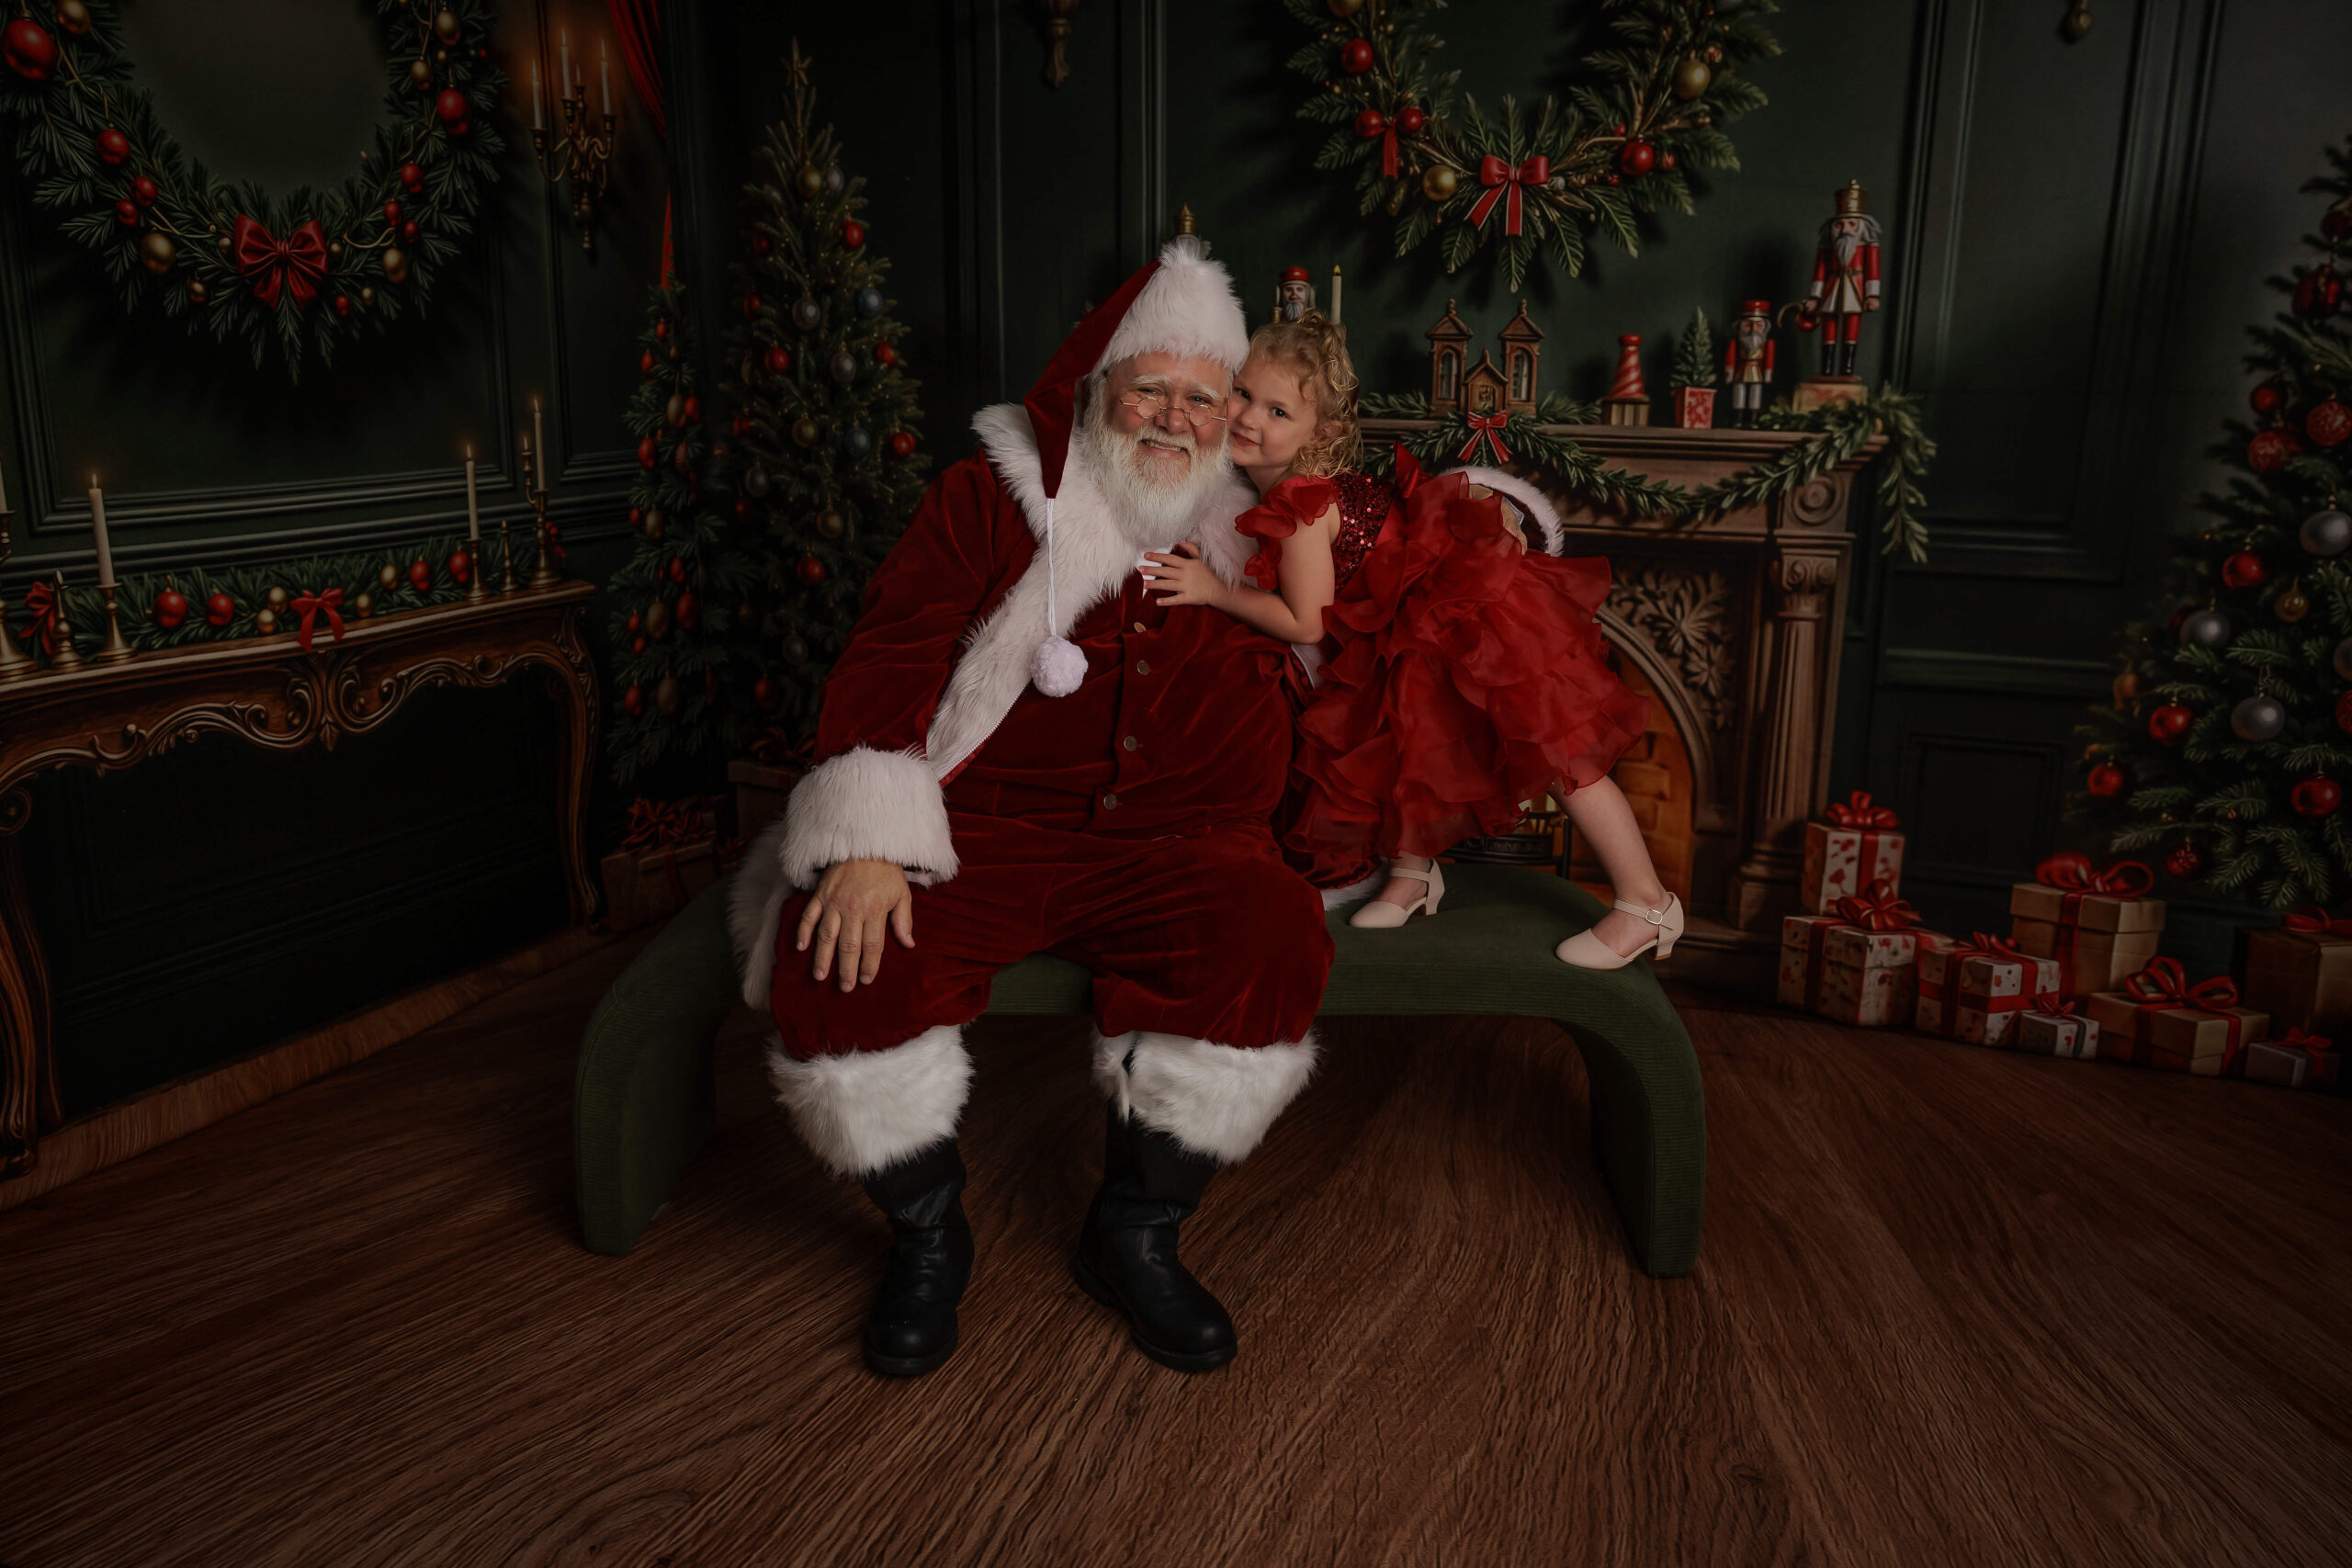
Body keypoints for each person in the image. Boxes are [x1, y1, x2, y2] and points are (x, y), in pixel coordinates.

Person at [729, 237, 1332, 1380]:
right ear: (1093, 385)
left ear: (1229, 415)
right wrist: (866, 839)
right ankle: (924, 1230)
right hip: (981, 832)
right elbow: (891, 653)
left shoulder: (1262, 519)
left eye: (1201, 396)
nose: (1172, 415)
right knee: (840, 965)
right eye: (1147, 384)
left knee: (1269, 940)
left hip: (1181, 840)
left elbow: (1355, 580)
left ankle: (1135, 1232)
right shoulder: (990, 495)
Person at [1140, 312, 1682, 968]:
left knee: (1558, 753)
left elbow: (1306, 621)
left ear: (1324, 433)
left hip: (1467, 612)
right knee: (1402, 745)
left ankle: (1646, 901)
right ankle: (1415, 874)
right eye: (1244, 393)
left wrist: (1213, 588)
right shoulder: (1268, 486)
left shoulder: (1296, 505)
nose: (1251, 417)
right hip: (1409, 619)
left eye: (1279, 410)